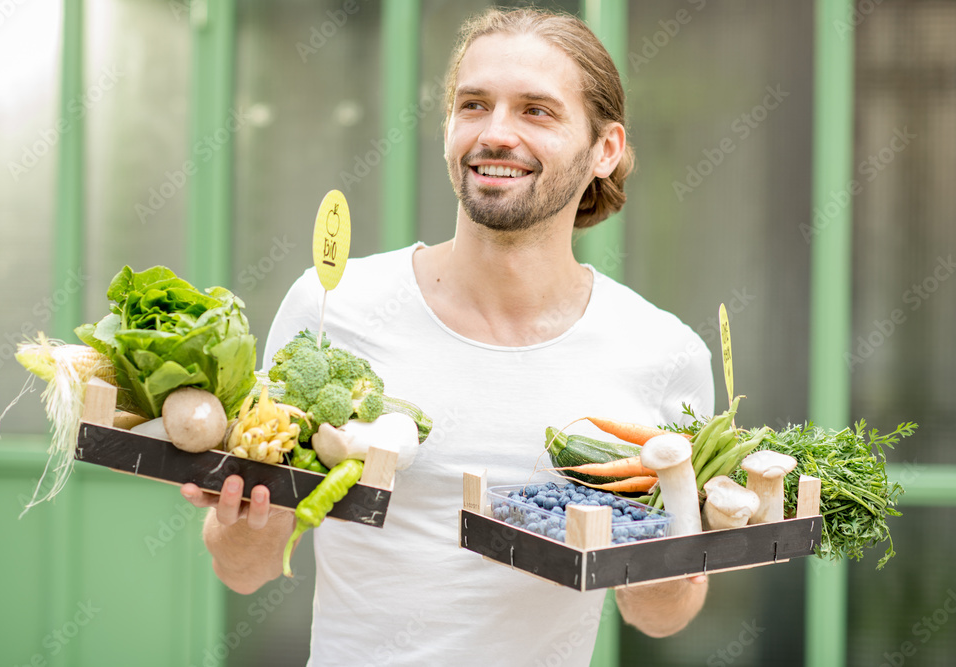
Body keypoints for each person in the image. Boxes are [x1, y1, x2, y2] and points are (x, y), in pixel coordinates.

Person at [182, 7, 714, 665]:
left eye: (536, 111)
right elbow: (245, 571)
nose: (496, 133)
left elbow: (658, 615)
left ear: (605, 149)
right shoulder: (334, 307)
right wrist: (244, 517)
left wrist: (673, 562)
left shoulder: (660, 352)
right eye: (473, 105)